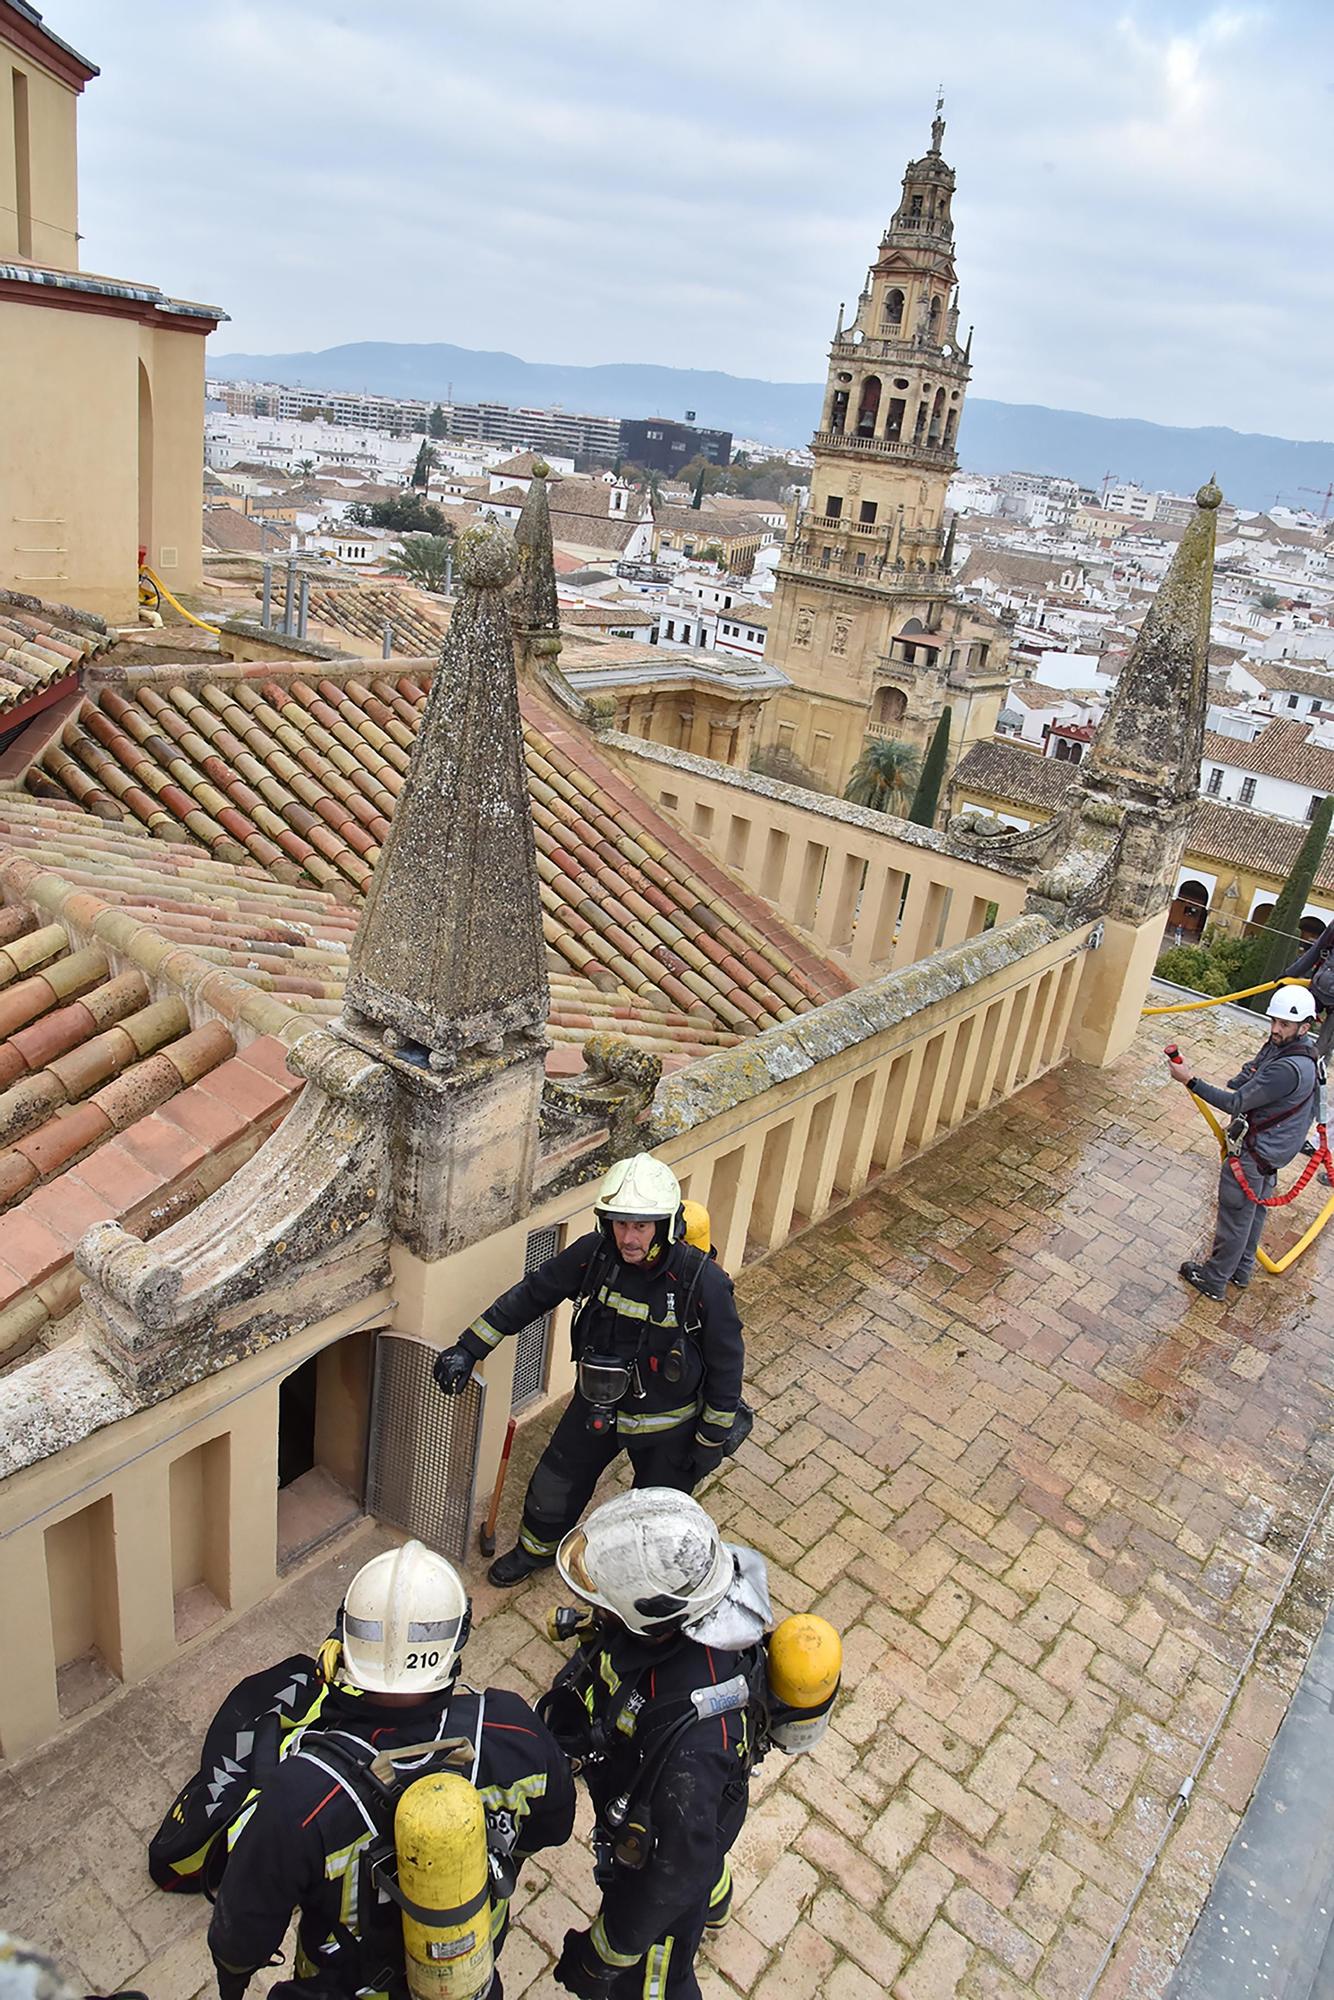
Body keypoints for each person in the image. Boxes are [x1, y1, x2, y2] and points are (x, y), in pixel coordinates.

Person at [206, 1539, 574, 2000]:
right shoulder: (514, 1730)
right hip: (470, 1972)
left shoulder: (299, 1796)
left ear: (344, 1649)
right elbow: (555, 1825)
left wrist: (231, 1981)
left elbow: (242, 1932)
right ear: (454, 1648)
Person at [434, 1153, 745, 1587]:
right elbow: (532, 1294)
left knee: (657, 1521)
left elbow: (727, 1367)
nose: (628, 1238)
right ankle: (534, 1552)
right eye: (620, 1224)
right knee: (554, 1484)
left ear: (666, 1225)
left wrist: (709, 1441)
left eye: (640, 1226)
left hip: (668, 1427)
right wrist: (469, 1348)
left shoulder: (703, 1284)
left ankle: (639, 1590)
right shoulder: (595, 1257)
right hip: (597, 1405)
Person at [541, 1489, 765, 2000]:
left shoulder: (690, 1738)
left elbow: (670, 1873)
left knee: (657, 1983)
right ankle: (715, 1897)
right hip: (697, 1820)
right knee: (703, 1852)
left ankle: (697, 1911)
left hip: (674, 1852)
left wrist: (601, 1957)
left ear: (652, 1617)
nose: (595, 1609)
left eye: (607, 1604)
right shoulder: (688, 1599)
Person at [1169, 983, 1321, 1299]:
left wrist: (1190, 1080)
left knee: (1235, 1215)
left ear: (1304, 1027)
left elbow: (1236, 1103)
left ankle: (1213, 1279)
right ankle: (1240, 1269)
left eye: (1284, 1025)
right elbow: (1256, 1076)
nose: (1275, 1030)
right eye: (1274, 1022)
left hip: (1256, 1154)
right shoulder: (1301, 1052)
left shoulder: (1287, 1068)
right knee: (1253, 1212)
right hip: (1273, 1153)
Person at [1283, 917, 1334, 1063]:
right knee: (1285, 1029)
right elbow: (1317, 949)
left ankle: (1311, 1079)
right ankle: (1258, 1068)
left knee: (1322, 1049)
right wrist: (1290, 973)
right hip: (1318, 988)